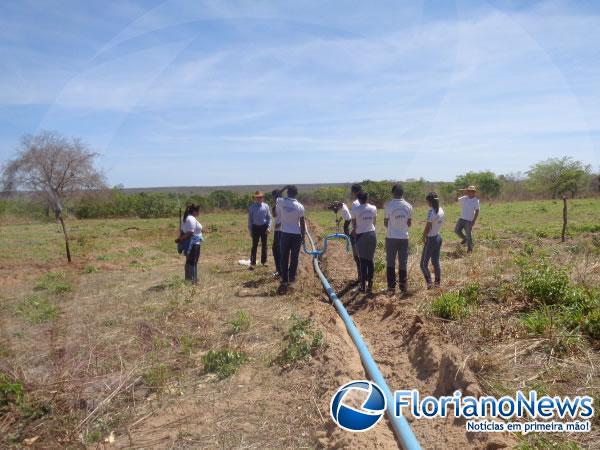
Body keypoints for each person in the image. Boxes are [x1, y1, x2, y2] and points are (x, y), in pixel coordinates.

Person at [274, 185, 306, 291]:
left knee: (284, 256)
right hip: (296, 235)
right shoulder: (300, 206)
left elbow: (277, 195)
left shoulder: (281, 201)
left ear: (287, 193)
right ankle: (292, 279)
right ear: (296, 194)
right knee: (294, 257)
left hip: (285, 234)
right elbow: (302, 223)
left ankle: (284, 279)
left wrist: (284, 187)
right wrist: (303, 237)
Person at [384, 183, 412, 294]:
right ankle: (403, 286)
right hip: (404, 237)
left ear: (393, 193)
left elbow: (386, 223)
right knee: (403, 262)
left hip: (391, 237)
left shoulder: (388, 205)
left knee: (390, 262)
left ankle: (391, 288)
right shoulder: (409, 206)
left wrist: (393, 226)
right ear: (402, 193)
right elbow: (409, 223)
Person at [351, 191, 377, 294]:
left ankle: (363, 286)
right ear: (367, 198)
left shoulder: (355, 210)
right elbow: (374, 222)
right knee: (370, 260)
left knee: (362, 261)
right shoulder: (373, 208)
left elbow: (354, 225)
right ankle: (370, 285)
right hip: (372, 234)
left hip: (361, 235)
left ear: (358, 199)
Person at [420, 192, 444, 289]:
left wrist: (423, 236)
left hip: (431, 239)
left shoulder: (432, 212)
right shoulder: (441, 210)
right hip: (438, 237)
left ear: (430, 201)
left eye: (427, 201)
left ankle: (429, 283)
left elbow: (428, 227)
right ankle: (437, 283)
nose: (427, 203)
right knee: (435, 262)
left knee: (423, 264)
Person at [175, 203, 203, 284]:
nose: (199, 213)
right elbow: (190, 232)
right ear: (194, 211)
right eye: (198, 211)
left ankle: (190, 279)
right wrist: (181, 239)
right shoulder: (191, 218)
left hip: (194, 242)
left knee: (191, 261)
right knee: (192, 261)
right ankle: (192, 281)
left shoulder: (190, 218)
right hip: (192, 243)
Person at [247, 191, 272, 270]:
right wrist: (250, 230)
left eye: (260, 197)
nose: (259, 199)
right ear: (255, 198)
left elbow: (269, 218)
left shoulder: (266, 206)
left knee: (264, 245)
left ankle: (264, 262)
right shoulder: (252, 207)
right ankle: (252, 263)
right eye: (257, 197)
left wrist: (269, 227)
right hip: (255, 227)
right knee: (254, 245)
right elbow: (250, 220)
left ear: (263, 198)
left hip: (264, 227)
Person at [455, 185, 480, 253]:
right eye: (469, 191)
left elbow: (477, 211)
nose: (470, 192)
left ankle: (470, 249)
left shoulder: (476, 200)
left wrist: (473, 221)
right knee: (457, 231)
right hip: (461, 218)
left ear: (474, 192)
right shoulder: (464, 198)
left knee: (469, 234)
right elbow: (456, 200)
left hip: (469, 221)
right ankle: (465, 239)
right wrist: (457, 193)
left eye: (472, 191)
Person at [348, 183, 363, 282]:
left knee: (357, 257)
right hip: (367, 232)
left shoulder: (355, 204)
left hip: (357, 233)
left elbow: (354, 220)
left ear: (353, 192)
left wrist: (352, 232)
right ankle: (365, 278)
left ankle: (360, 278)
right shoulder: (367, 202)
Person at [271, 188, 283, 277]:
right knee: (275, 250)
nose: (273, 198)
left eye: (273, 196)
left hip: (281, 231)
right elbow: (274, 215)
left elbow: (286, 217)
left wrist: (280, 224)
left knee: (279, 251)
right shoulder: (277, 204)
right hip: (277, 231)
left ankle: (281, 270)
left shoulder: (282, 204)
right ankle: (279, 269)